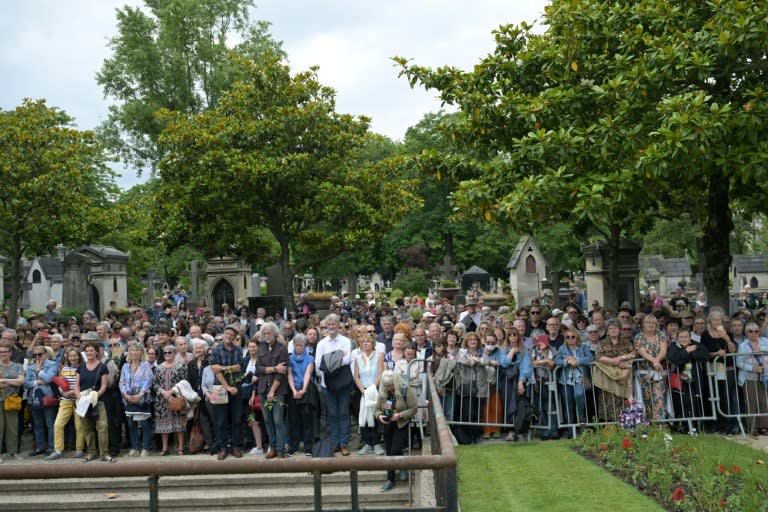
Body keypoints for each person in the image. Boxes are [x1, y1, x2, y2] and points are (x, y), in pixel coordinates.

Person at [315, 314, 354, 456]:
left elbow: (348, 359)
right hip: (327, 384)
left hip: (342, 383)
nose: (331, 327)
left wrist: (329, 361)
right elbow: (319, 364)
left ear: (338, 326)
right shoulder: (321, 343)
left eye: (334, 325)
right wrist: (338, 357)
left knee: (343, 413)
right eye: (329, 325)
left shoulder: (345, 341)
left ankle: (344, 443)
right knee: (332, 414)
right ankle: (334, 443)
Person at [376, 370, 418, 492]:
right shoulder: (383, 392)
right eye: (386, 385)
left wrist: (400, 415)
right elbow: (377, 409)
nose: (389, 388)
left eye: (391, 385)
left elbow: (414, 408)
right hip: (388, 425)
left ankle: (402, 465)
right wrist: (379, 416)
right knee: (388, 451)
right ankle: (391, 479)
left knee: (395, 449)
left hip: (402, 424)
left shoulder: (405, 389)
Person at [210, 324, 244, 459]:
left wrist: (223, 368)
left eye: (232, 335)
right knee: (221, 421)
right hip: (220, 389)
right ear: (223, 334)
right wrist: (228, 386)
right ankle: (222, 448)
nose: (229, 336)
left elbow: (239, 368)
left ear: (235, 337)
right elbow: (215, 371)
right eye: (227, 333)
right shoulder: (216, 350)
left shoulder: (238, 350)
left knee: (236, 420)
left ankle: (235, 446)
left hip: (237, 389)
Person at [75, 341, 113, 462]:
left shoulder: (102, 367)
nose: (89, 352)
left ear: (96, 352)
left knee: (102, 427)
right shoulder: (80, 367)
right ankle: (91, 452)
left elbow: (104, 386)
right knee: (87, 428)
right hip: (82, 402)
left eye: (91, 350)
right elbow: (76, 385)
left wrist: (94, 397)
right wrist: (79, 398)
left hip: (98, 402)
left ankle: (104, 453)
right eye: (87, 351)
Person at [256, 322, 289, 458]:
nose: (267, 335)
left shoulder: (281, 349)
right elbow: (258, 369)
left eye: (269, 333)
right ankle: (273, 447)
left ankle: (281, 450)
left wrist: (272, 391)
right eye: (264, 333)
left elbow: (282, 373)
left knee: (277, 420)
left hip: (278, 390)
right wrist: (274, 368)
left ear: (274, 334)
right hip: (263, 389)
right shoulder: (261, 348)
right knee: (267, 420)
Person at [666, 328, 709, 431]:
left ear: (690, 337)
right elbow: (674, 358)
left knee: (693, 402)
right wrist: (686, 351)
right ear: (677, 338)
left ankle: (693, 426)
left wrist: (690, 351)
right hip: (678, 381)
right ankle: (682, 427)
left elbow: (705, 356)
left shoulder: (696, 344)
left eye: (685, 336)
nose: (683, 339)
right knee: (679, 403)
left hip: (694, 380)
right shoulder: (673, 346)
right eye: (681, 337)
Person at [45, 348, 84, 460]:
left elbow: (85, 383)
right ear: (67, 357)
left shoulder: (83, 368)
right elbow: (59, 384)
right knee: (58, 424)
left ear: (79, 356)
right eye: (70, 356)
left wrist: (74, 392)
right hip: (65, 400)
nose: (73, 358)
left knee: (79, 426)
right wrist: (64, 392)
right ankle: (58, 450)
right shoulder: (64, 369)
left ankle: (79, 449)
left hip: (79, 400)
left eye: (75, 356)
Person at [593, 319, 635, 422]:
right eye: (610, 328)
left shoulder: (626, 342)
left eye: (615, 328)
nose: (613, 330)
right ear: (607, 330)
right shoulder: (603, 343)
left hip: (623, 376)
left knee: (622, 400)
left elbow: (634, 353)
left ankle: (624, 424)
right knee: (607, 401)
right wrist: (613, 361)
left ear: (620, 330)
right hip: (608, 376)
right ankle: (610, 427)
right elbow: (598, 356)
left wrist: (621, 357)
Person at [555, 326, 594, 432]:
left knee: (579, 394)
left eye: (573, 337)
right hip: (565, 379)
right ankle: (571, 431)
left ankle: (582, 420)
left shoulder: (584, 347)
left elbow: (590, 358)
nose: (570, 339)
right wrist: (566, 362)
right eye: (568, 337)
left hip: (580, 379)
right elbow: (556, 360)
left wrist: (577, 360)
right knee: (568, 405)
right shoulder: (562, 349)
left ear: (577, 337)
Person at [119, 342, 153, 457]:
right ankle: (134, 448)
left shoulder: (146, 365)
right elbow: (122, 381)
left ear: (141, 352)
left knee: (144, 423)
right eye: (132, 350)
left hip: (142, 398)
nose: (134, 352)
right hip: (128, 398)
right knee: (131, 424)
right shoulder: (125, 366)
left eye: (137, 350)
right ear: (129, 352)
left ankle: (145, 448)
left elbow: (148, 380)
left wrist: (140, 394)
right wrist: (126, 395)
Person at [24, 345, 59, 456]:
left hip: (48, 399)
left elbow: (49, 379)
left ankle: (52, 447)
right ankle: (40, 447)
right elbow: (26, 384)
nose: (37, 357)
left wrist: (39, 372)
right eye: (35, 355)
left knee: (50, 424)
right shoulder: (30, 367)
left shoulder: (52, 364)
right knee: (38, 424)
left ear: (45, 354)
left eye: (40, 354)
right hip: (34, 399)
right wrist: (37, 382)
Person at [153, 344, 187, 456]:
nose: (167, 354)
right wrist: (164, 393)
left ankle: (181, 448)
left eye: (170, 352)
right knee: (163, 426)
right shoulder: (158, 368)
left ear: (175, 353)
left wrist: (172, 392)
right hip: (162, 400)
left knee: (179, 425)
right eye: (165, 353)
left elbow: (184, 382)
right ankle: (165, 448)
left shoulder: (181, 366)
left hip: (176, 398)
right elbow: (155, 384)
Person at [353, 327, 383, 455]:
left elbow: (380, 374)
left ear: (373, 343)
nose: (365, 343)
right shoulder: (358, 357)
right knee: (364, 416)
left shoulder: (379, 356)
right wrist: (363, 390)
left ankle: (376, 443)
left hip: (375, 390)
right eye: (363, 341)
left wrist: (372, 388)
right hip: (363, 391)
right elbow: (356, 376)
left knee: (375, 416)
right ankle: (367, 443)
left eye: (368, 341)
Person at [634, 314, 668, 421]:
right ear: (643, 324)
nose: (651, 325)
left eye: (653, 322)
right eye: (648, 322)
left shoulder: (661, 335)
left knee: (659, 398)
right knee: (646, 399)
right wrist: (655, 361)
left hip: (658, 372)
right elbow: (642, 352)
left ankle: (660, 425)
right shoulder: (638, 337)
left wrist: (656, 361)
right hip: (643, 373)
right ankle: (647, 424)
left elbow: (663, 351)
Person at [288, 334, 316, 456]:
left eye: (301, 345)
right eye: (296, 345)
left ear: (305, 346)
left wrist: (303, 389)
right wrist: (294, 391)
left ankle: (308, 447)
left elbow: (308, 374)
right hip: (292, 389)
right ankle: (293, 446)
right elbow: (289, 375)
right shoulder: (288, 358)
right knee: (293, 419)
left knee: (307, 419)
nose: (298, 347)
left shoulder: (310, 358)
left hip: (306, 389)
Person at [188, 338, 216, 455]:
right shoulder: (191, 363)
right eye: (196, 348)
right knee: (202, 422)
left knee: (214, 420)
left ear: (204, 349)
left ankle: (215, 444)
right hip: (196, 396)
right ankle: (209, 444)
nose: (198, 350)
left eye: (200, 348)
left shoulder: (209, 362)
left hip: (209, 395)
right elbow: (189, 380)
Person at [0, 342, 25, 462]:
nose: (2, 354)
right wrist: (12, 381)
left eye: (5, 352)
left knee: (13, 428)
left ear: (10, 353)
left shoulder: (18, 366)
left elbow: (20, 382)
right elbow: (16, 381)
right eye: (1, 352)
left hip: (12, 400)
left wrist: (3, 380)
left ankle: (13, 452)